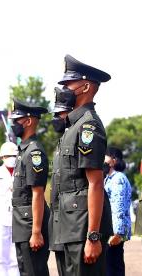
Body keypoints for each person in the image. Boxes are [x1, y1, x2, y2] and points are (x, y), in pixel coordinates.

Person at [54, 54, 113, 275]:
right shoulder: (73, 126)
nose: (64, 88)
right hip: (69, 230)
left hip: (82, 230)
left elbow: (95, 183)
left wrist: (93, 237)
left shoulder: (88, 126)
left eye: (69, 83)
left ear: (85, 86)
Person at [9, 99, 50, 276]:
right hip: (22, 223)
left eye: (16, 120)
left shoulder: (34, 152)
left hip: (30, 225)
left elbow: (38, 193)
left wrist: (36, 232)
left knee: (34, 272)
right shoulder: (23, 151)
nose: (13, 125)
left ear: (28, 121)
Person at [49, 86, 74, 275]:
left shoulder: (77, 135)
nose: (55, 118)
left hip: (74, 223)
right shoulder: (62, 141)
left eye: (60, 113)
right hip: (60, 222)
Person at [0, 142, 20, 276]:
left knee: (15, 256)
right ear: (2, 157)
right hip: (0, 218)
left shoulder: (21, 171)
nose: (11, 158)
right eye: (8, 155)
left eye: (14, 155)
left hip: (18, 218)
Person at [104, 147, 132, 276]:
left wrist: (117, 233)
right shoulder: (108, 178)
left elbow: (118, 207)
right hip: (110, 230)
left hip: (114, 232)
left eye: (105, 156)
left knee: (113, 268)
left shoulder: (118, 179)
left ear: (113, 160)